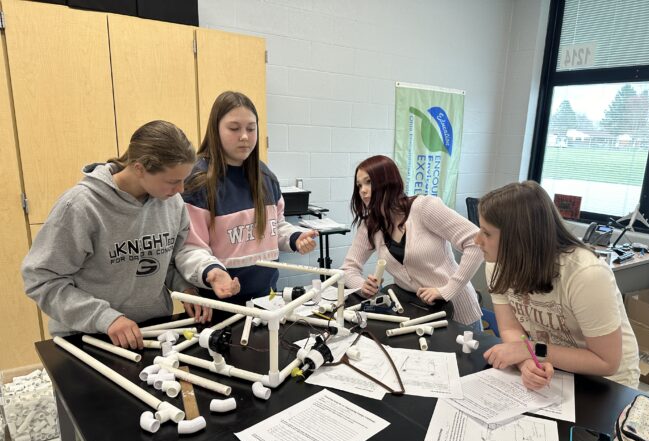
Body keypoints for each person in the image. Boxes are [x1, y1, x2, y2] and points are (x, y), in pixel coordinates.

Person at [22, 120, 239, 350]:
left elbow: (169, 261)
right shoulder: (80, 207)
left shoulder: (172, 203)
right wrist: (106, 318)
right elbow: (42, 280)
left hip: (153, 330)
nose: (181, 190)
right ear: (139, 168)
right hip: (87, 337)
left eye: (183, 180)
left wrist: (185, 288)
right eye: (173, 181)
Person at [478, 181, 640, 389]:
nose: (476, 240)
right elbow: (510, 328)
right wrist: (526, 362)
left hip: (606, 383)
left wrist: (530, 350)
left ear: (518, 239)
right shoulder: (498, 264)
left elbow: (606, 362)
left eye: (487, 233)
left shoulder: (586, 275)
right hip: (553, 368)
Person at [182, 91, 317, 304]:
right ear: (215, 129)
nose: (244, 136)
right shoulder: (198, 181)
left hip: (266, 298)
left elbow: (275, 227)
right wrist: (214, 273)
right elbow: (190, 248)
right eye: (234, 128)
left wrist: (295, 238)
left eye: (251, 129)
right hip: (219, 304)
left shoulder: (265, 176)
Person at [340, 155, 484, 332]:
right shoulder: (371, 224)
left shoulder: (425, 208)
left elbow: (477, 242)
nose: (362, 191)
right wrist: (362, 286)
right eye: (359, 185)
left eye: (368, 182)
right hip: (417, 314)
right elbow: (348, 269)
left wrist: (447, 290)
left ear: (388, 182)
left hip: (458, 312)